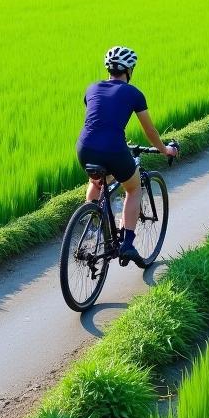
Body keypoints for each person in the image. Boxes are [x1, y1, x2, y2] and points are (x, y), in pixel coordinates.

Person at [78, 46, 178, 266]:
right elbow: (150, 132)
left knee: (97, 180)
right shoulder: (133, 93)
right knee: (133, 189)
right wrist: (165, 149)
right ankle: (128, 244)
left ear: (109, 69)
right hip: (113, 148)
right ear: (129, 70)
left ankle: (93, 226)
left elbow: (99, 119)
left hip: (85, 148)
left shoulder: (92, 88)